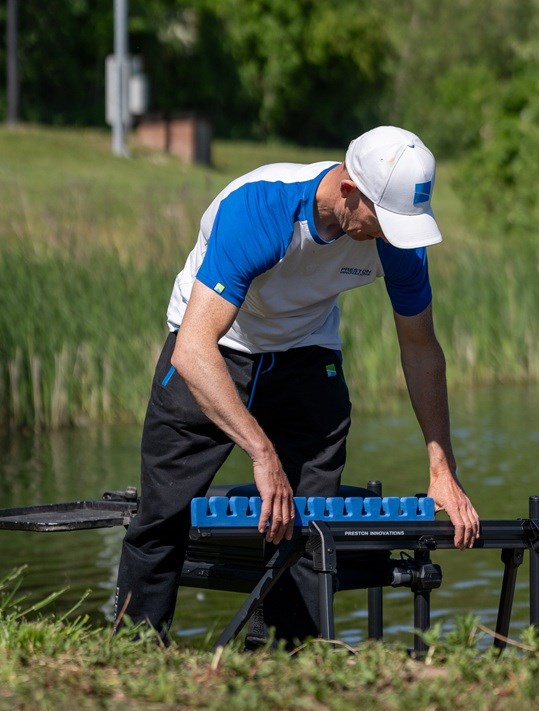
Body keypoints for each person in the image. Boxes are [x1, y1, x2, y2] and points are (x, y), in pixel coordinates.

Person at [114, 125, 480, 646]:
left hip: (307, 351)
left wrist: (442, 469)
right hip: (216, 348)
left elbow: (421, 350)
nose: (393, 236)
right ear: (349, 191)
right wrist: (262, 453)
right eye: (384, 221)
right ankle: (135, 650)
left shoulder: (398, 240)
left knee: (310, 522)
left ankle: (285, 658)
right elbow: (193, 348)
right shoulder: (262, 208)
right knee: (164, 515)